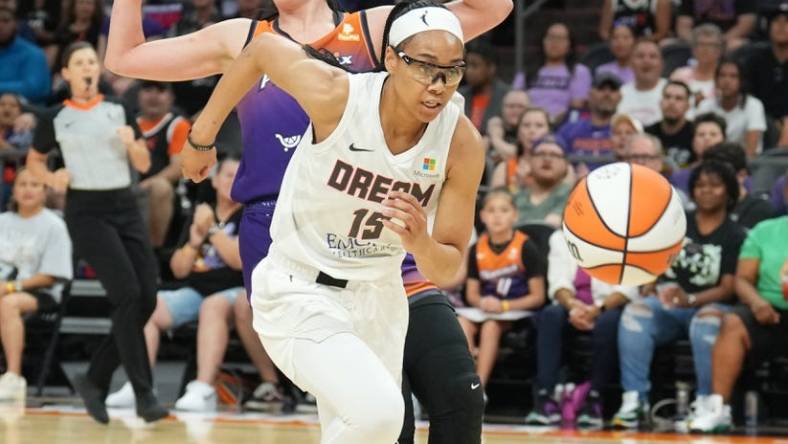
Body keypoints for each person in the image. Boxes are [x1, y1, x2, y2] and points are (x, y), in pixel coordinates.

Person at [106, 1, 511, 442]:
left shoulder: (377, 29)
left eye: (448, 73)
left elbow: (490, 8)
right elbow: (125, 58)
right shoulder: (249, 40)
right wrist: (200, 138)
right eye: (428, 69)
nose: (437, 83)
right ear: (395, 61)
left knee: (444, 400)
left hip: (384, 248)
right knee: (381, 413)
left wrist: (424, 243)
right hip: (289, 243)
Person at [26, 42, 168, 424]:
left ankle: (94, 378)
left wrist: (131, 145)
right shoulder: (54, 117)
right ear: (68, 74)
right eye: (80, 62)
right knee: (127, 295)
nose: (88, 67)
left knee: (148, 299)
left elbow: (144, 161)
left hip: (125, 204)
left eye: (92, 61)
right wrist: (50, 177)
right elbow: (34, 161)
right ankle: (144, 393)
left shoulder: (119, 109)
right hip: (86, 212)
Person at [612, 160, 746, 430]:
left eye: (714, 185)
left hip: (712, 305)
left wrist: (691, 300)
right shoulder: (676, 223)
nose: (706, 191)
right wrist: (650, 283)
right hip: (668, 305)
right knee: (635, 313)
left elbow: (729, 286)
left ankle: (708, 403)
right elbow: (654, 262)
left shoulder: (734, 234)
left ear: (729, 192)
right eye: (699, 185)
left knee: (706, 322)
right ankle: (634, 400)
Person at [526, 229, 638, 428]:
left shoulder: (625, 237)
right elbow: (558, 282)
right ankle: (546, 396)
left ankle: (594, 397)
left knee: (609, 323)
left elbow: (627, 288)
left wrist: (597, 310)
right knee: (550, 315)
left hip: (607, 306)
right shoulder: (561, 238)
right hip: (573, 306)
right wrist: (572, 306)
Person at [689, 215, 788, 433]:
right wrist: (757, 303)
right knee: (733, 322)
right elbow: (742, 279)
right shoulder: (765, 230)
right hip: (770, 311)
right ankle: (719, 409)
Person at [457, 190, 546, 395]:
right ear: (482, 216)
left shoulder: (526, 246)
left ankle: (479, 391)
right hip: (487, 309)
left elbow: (538, 296)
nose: (497, 216)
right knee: (461, 322)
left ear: (515, 214)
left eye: (504, 210)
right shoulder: (476, 248)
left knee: (490, 327)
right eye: (491, 211)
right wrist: (482, 302)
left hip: (516, 311)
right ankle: (468, 376)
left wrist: (504, 306)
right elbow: (472, 294)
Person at [0, 168, 72, 400]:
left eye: (34, 184)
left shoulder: (54, 225)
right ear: (14, 190)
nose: (28, 189)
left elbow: (51, 275)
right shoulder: (2, 221)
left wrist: (11, 287)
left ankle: (13, 377)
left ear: (45, 191)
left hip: (40, 291)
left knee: (7, 304)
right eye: (22, 184)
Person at [135, 80, 190, 248]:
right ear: (138, 95)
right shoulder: (129, 123)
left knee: (160, 187)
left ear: (171, 97)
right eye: (148, 89)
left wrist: (144, 186)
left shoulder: (178, 125)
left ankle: (154, 251)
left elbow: (177, 168)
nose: (154, 96)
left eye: (160, 90)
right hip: (130, 187)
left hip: (167, 195)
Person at [697, 58, 767, 158]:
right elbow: (698, 142)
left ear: (741, 81)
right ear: (716, 80)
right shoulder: (705, 105)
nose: (727, 81)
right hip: (711, 161)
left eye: (733, 76)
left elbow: (751, 151)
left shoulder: (754, 105)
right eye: (722, 75)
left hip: (743, 163)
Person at [526, 22, 592, 123]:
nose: (555, 42)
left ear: (570, 45)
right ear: (543, 41)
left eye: (560, 38)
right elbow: (518, 100)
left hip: (563, 126)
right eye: (551, 37)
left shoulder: (579, 72)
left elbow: (577, 105)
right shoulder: (528, 72)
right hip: (530, 124)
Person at [702, 142, 775, 229]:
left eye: (719, 177)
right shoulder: (698, 209)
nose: (708, 187)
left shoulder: (762, 211)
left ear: (741, 175)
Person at [557, 73, 621, 168]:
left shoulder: (627, 131)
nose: (607, 94)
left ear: (620, 96)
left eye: (612, 90)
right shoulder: (569, 130)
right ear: (590, 94)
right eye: (601, 89)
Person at [745, 7, 788, 147]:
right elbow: (748, 95)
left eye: (787, 21)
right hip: (761, 120)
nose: (781, 26)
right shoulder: (755, 59)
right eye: (776, 21)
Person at [511, 136, 571, 228]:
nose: (547, 159)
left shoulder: (573, 196)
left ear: (566, 165)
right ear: (530, 161)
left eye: (554, 155)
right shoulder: (514, 196)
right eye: (540, 154)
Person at [490, 106, 551, 191]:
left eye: (539, 126)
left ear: (549, 132)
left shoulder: (561, 169)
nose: (532, 130)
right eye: (526, 125)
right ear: (518, 132)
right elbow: (495, 201)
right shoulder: (504, 168)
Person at [0, 6, 51, 104]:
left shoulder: (33, 53)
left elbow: (34, 89)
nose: (0, 26)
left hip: (28, 113)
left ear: (16, 24)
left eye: (6, 21)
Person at [459, 39, 510, 134]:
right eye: (467, 66)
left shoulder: (507, 96)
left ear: (491, 68)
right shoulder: (459, 95)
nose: (469, 71)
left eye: (475, 66)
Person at [671, 112, 727, 194]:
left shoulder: (737, 175)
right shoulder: (679, 177)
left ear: (724, 140)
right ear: (693, 142)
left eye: (713, 134)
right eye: (701, 135)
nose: (707, 138)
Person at [670, 24, 724, 106]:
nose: (706, 49)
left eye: (711, 45)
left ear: (719, 50)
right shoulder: (679, 75)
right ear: (693, 49)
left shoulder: (726, 78)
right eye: (701, 44)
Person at [645, 80, 695, 168]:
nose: (671, 102)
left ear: (687, 106)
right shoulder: (648, 134)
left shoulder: (695, 134)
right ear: (660, 103)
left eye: (678, 98)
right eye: (667, 97)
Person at [618, 39, 667, 127]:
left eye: (653, 56)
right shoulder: (620, 93)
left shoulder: (672, 91)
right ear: (631, 63)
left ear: (662, 64)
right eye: (640, 56)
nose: (646, 61)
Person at [676, 0, 755, 51]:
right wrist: (698, 42)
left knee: (737, 45)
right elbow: (683, 27)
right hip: (696, 39)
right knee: (667, 45)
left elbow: (746, 24)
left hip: (729, 38)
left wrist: (718, 42)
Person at [484, 89, 529, 161]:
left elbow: (516, 156)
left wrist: (495, 137)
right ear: (502, 108)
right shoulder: (496, 126)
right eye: (511, 106)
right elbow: (476, 155)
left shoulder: (533, 131)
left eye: (520, 106)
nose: (515, 110)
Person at [598, 0, 671, 41]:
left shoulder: (660, 2)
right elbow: (604, 32)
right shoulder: (612, 1)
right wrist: (618, 41)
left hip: (647, 43)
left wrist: (636, 42)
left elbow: (662, 33)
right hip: (619, 45)